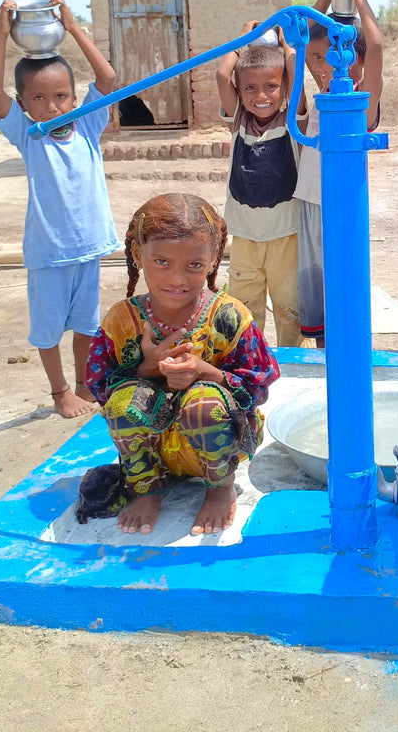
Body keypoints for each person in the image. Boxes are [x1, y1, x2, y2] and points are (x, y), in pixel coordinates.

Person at [84, 193, 279, 536]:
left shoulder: (229, 316)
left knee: (203, 405)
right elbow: (99, 387)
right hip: (150, 449)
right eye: (161, 262)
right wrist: (147, 369)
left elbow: (258, 385)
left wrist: (206, 372)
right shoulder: (121, 321)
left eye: (193, 265)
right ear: (136, 255)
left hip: (217, 440)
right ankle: (146, 487)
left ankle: (219, 487)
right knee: (123, 403)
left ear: (214, 259)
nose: (177, 279)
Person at [0, 0, 121, 418]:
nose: (53, 106)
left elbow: (109, 76)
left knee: (86, 324)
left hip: (89, 247)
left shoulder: (88, 123)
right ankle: (60, 391)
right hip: (49, 253)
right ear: (24, 104)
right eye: (40, 98)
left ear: (75, 96)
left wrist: (73, 27)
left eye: (62, 95)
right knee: (47, 328)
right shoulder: (28, 135)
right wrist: (1, 33)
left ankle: (82, 384)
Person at [293, 0, 384, 346]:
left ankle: (348, 348)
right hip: (308, 204)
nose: (321, 66)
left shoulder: (361, 103)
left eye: (329, 57)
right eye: (317, 59)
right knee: (315, 288)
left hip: (342, 206)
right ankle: (323, 353)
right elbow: (297, 44)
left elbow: (376, 46)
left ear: (354, 61)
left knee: (343, 282)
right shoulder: (315, 100)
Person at [216, 23, 303, 346]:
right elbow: (222, 75)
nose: (262, 96)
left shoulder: (293, 121)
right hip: (246, 239)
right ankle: (247, 366)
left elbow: (294, 72)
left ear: (284, 90)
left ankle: (293, 370)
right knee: (242, 313)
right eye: (250, 88)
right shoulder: (239, 122)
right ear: (239, 93)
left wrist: (284, 42)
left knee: (289, 312)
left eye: (271, 86)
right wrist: (243, 40)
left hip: (287, 237)